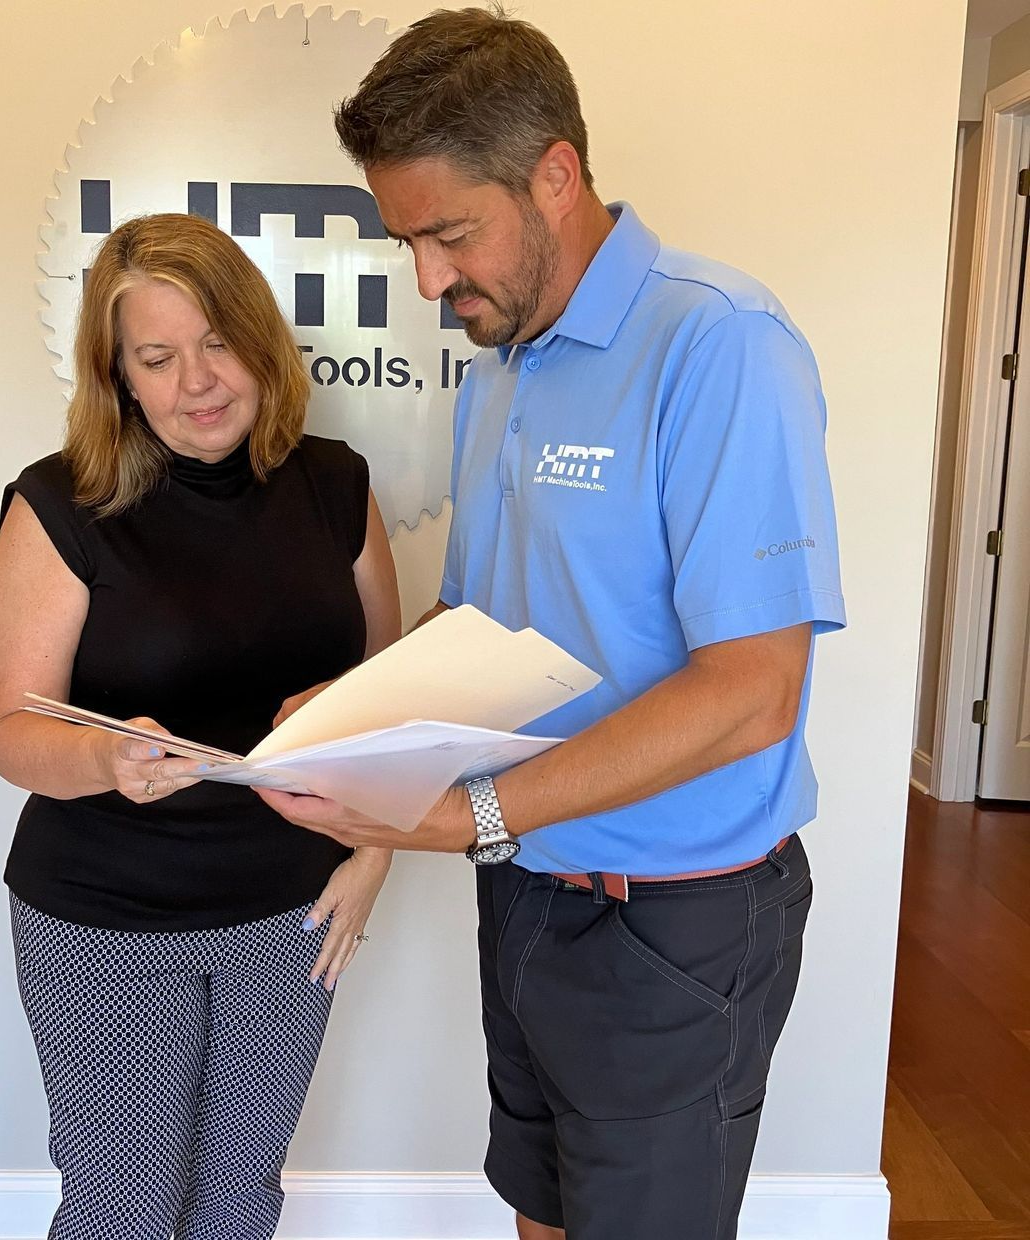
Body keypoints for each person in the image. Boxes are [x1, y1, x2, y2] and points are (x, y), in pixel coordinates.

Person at [257, 8, 847, 1239]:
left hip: (673, 920)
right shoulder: (501, 370)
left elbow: (752, 693)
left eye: (449, 234)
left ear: (556, 176)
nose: (428, 281)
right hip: (526, 889)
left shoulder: (719, 344)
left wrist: (468, 814)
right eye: (407, 242)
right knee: (539, 1207)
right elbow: (476, 620)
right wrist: (354, 721)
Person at [0, 212, 400, 1240]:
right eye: (158, 358)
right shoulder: (59, 505)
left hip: (293, 911)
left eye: (218, 343)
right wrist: (106, 756)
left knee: (239, 1202)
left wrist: (375, 854)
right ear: (119, 376)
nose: (197, 382)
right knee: (123, 1209)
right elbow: (10, 730)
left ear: (259, 341)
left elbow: (389, 702)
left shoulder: (335, 486)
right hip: (106, 920)